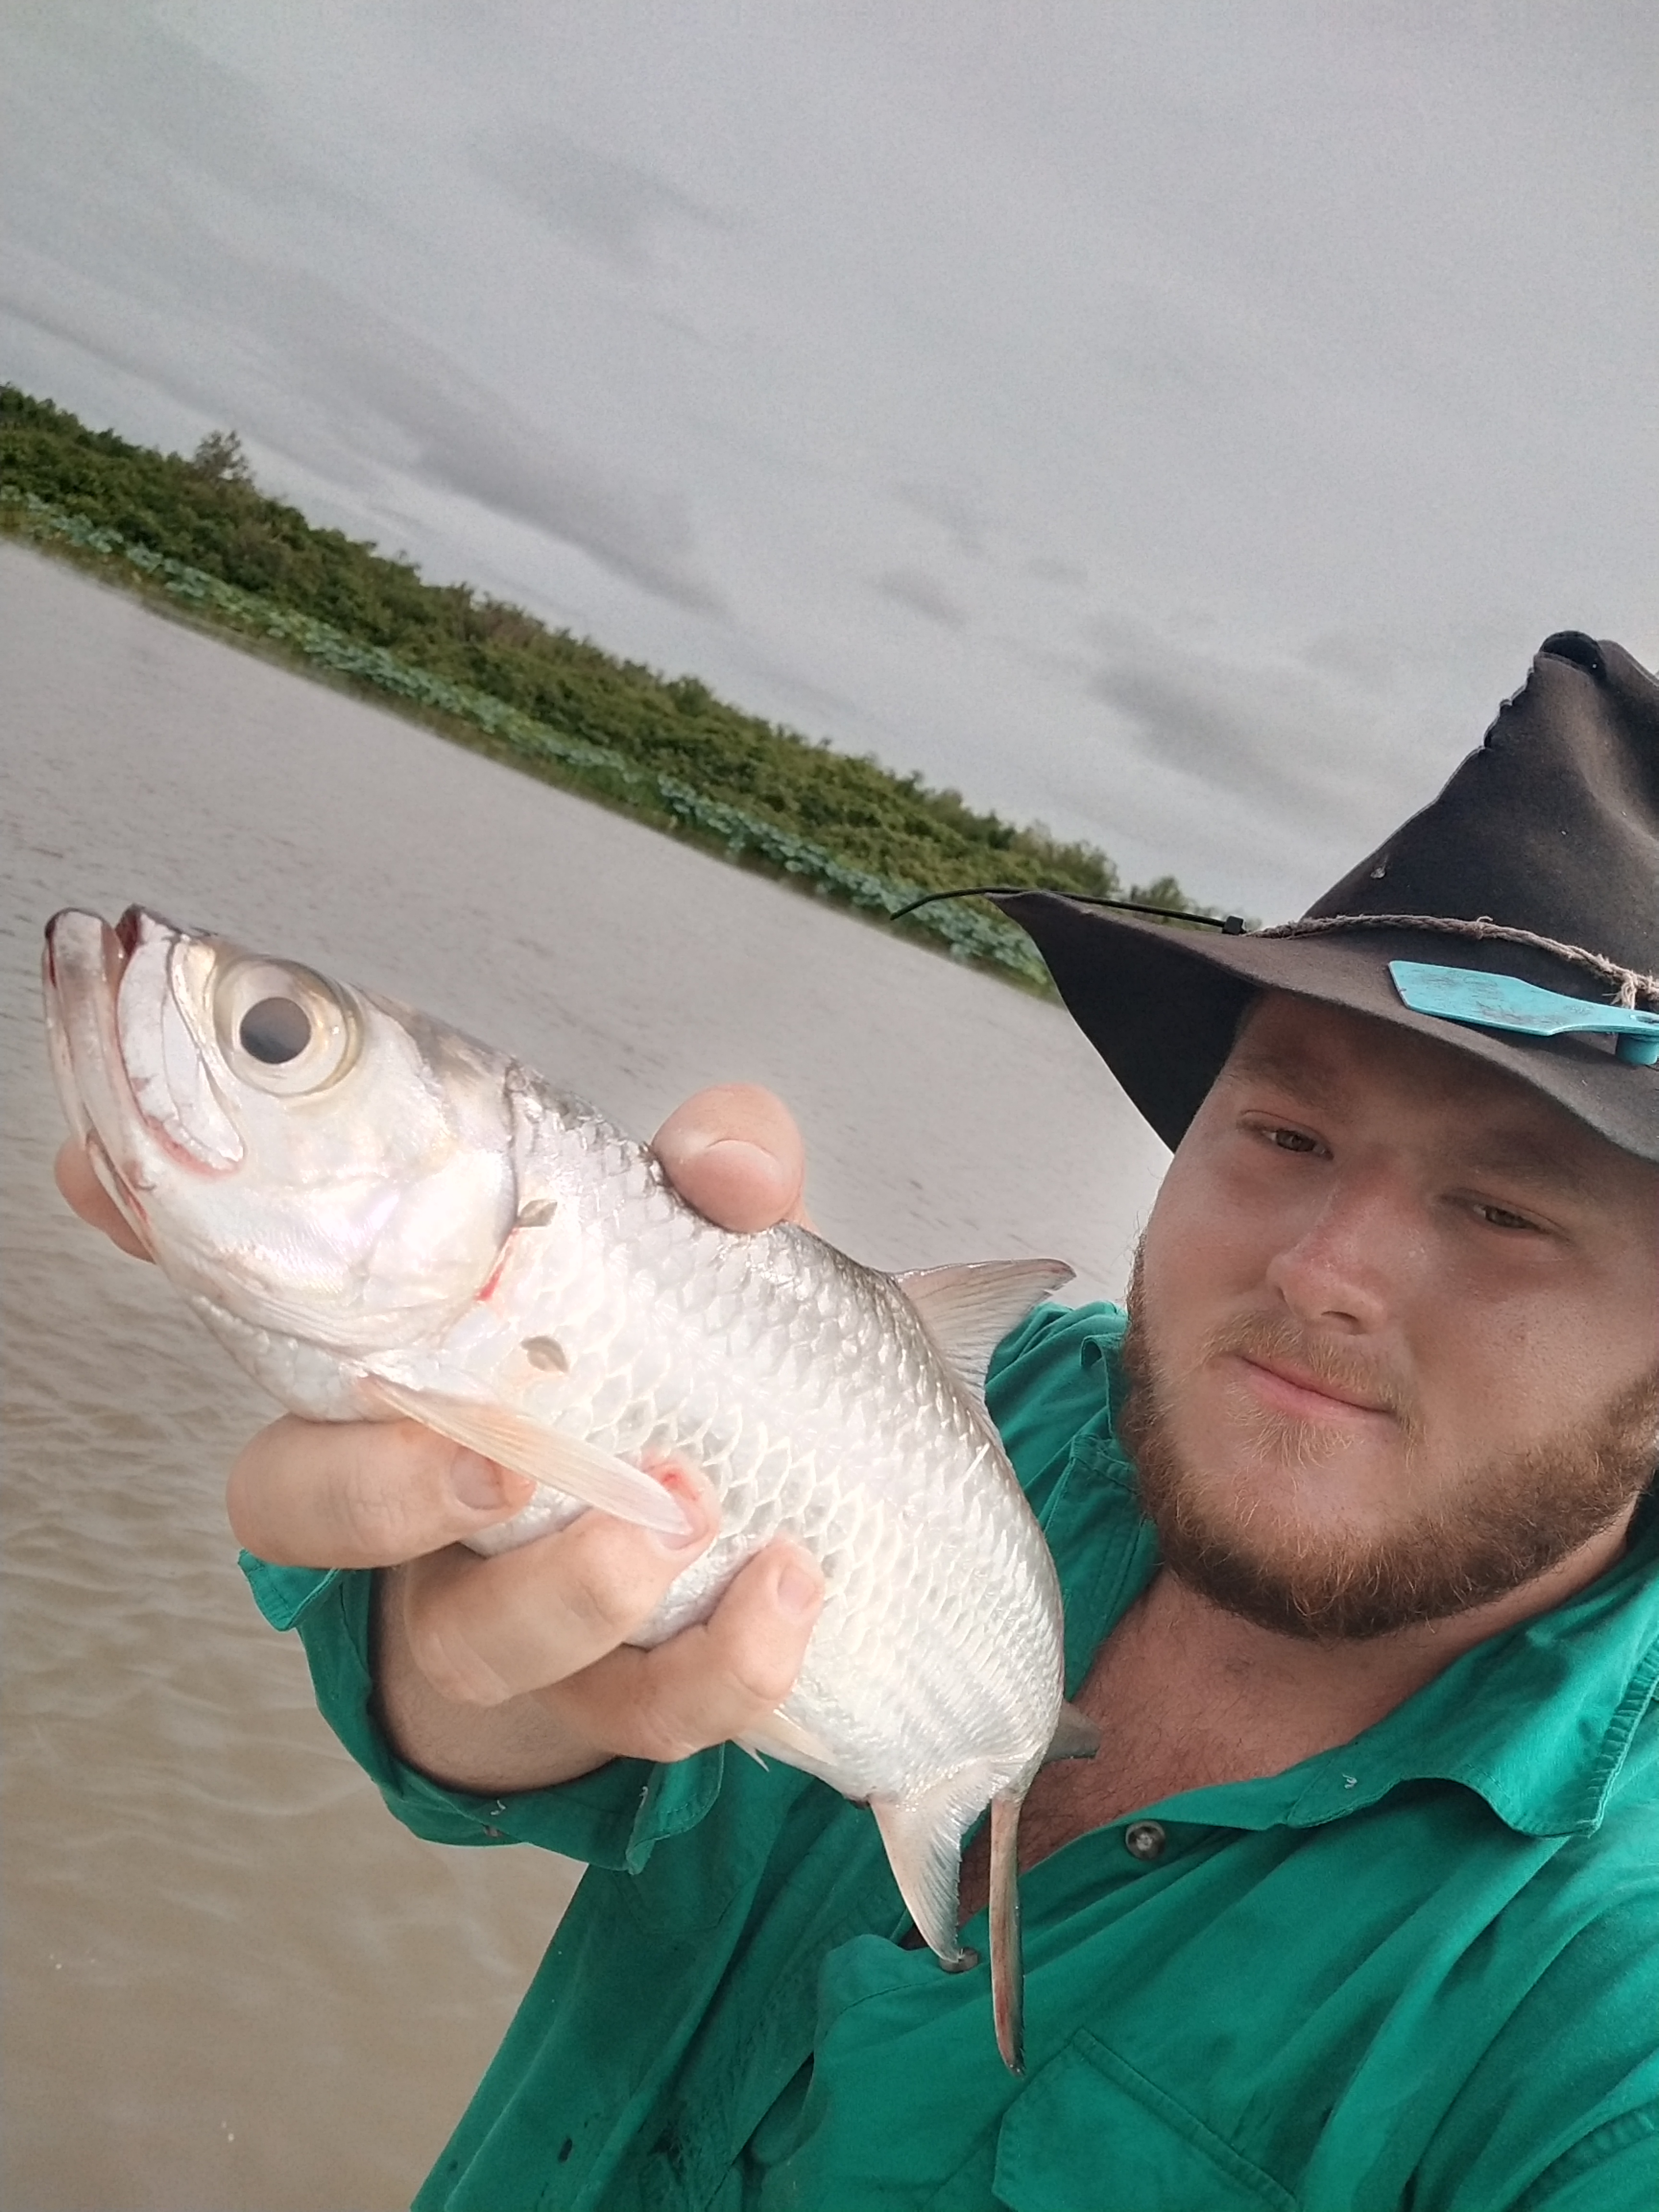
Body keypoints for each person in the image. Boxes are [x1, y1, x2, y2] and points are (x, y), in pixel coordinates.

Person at [60, 632, 1659, 2209]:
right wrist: (464, 1680)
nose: (1324, 1272)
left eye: (1508, 1209)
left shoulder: (1611, 2024)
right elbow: (495, 1749)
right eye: (1289, 1129)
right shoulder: (984, 1402)